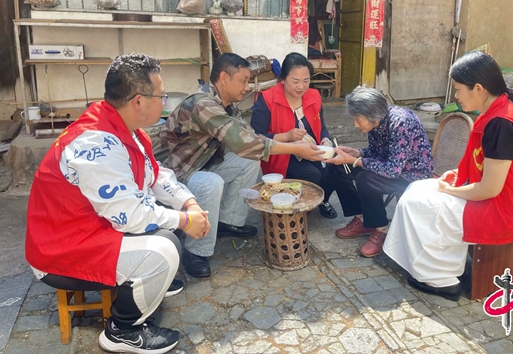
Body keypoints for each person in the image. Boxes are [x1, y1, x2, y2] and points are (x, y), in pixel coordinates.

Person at [25, 53, 210, 354]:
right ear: (138, 101)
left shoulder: (124, 128)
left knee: (169, 220)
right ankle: (122, 331)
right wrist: (186, 221)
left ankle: (146, 283)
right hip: (61, 249)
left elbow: (154, 174)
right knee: (164, 249)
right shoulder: (96, 142)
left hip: (90, 228)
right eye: (162, 96)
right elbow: (131, 215)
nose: (164, 103)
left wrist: (189, 204)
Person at [383, 51, 513, 301]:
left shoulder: (503, 123)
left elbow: (489, 188)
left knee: (420, 204)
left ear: (478, 88)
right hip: (501, 199)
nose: (456, 96)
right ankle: (433, 262)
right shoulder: (498, 111)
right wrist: (458, 174)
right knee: (416, 189)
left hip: (502, 210)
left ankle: (442, 279)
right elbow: (492, 165)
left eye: (458, 89)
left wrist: (450, 190)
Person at [160, 53, 324, 278]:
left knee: (251, 159)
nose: (247, 87)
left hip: (206, 163)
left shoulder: (228, 105)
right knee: (211, 182)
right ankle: (195, 251)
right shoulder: (203, 104)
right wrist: (294, 148)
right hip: (181, 172)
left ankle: (228, 222)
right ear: (224, 78)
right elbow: (242, 142)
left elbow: (250, 137)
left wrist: (290, 143)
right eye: (244, 81)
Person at [324, 86, 433, 257]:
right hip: (390, 169)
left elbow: (392, 170)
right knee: (337, 166)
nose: (355, 125)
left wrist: (355, 161)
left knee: (365, 179)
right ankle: (362, 219)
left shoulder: (401, 122)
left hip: (412, 176)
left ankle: (381, 228)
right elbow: (376, 153)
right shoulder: (376, 122)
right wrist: (357, 153)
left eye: (358, 120)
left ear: (372, 115)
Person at [250, 52, 337, 219]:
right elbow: (255, 138)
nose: (301, 87)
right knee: (312, 174)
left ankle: (322, 200)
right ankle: (297, 209)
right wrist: (286, 136)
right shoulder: (267, 99)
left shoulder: (314, 96)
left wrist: (326, 141)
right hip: (282, 154)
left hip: (311, 149)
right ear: (283, 79)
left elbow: (322, 128)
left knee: (336, 165)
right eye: (295, 81)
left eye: (306, 81)